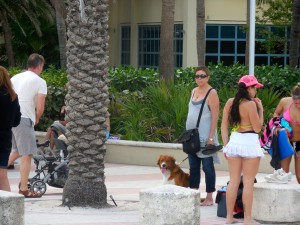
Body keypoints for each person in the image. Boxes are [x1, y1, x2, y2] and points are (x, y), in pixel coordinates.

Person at [221, 75, 264, 225]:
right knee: (248, 183)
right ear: (249, 88)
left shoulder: (230, 102)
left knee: (233, 182)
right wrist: (261, 110)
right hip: (250, 143)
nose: (256, 91)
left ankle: (229, 218)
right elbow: (258, 128)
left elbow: (223, 126)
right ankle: (247, 219)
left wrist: (226, 146)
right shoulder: (251, 104)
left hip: (235, 141)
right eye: (255, 88)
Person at [7, 53, 47, 198]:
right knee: (27, 153)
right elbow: (40, 107)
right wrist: (36, 118)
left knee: (16, 150)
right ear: (39, 66)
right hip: (24, 118)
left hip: (10, 118)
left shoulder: (15, 78)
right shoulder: (39, 81)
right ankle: (24, 189)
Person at [186, 66, 220, 206]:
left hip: (205, 136)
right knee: (193, 166)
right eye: (197, 76)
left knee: (207, 166)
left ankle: (210, 197)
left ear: (208, 77)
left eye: (202, 76)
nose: (199, 78)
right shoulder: (194, 91)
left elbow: (215, 117)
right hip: (191, 137)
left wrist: (211, 138)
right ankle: (194, 194)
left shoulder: (212, 93)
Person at [271, 83, 300, 183]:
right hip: (286, 141)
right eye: (296, 103)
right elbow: (276, 114)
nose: (298, 105)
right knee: (283, 175)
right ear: (292, 98)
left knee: (299, 176)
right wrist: (278, 124)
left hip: (299, 142)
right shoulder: (285, 102)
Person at [0, 66, 21, 191]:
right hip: (5, 140)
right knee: (3, 175)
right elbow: (16, 121)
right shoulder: (13, 97)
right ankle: (7, 207)